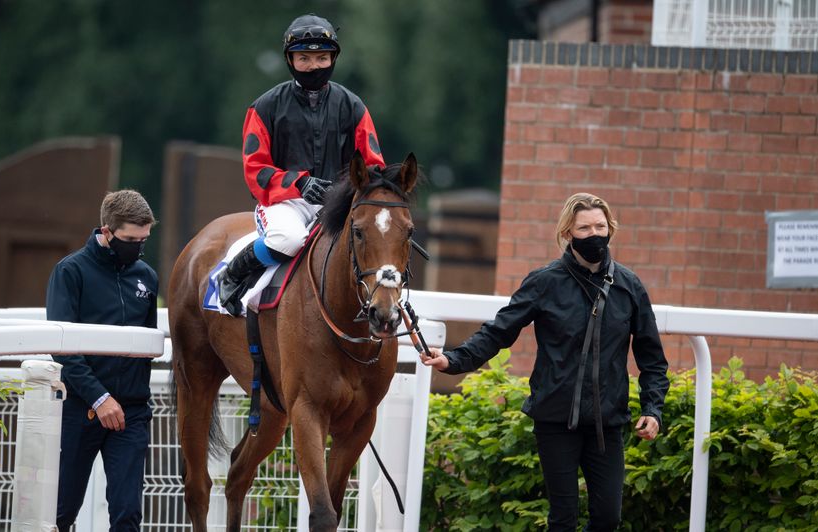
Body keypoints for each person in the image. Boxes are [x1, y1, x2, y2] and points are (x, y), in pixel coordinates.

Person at [422, 193, 670, 531]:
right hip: (555, 419)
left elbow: (652, 358)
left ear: (611, 228)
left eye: (600, 226)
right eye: (584, 227)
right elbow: (499, 331)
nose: (594, 233)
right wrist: (453, 360)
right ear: (568, 233)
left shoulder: (629, 287)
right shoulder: (544, 281)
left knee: (608, 518)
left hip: (607, 423)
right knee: (563, 519)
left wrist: (652, 409)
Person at [218, 12, 386, 316]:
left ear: (333, 59)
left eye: (322, 57)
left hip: (339, 203)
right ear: (290, 60)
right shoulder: (265, 106)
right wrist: (299, 183)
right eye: (304, 59)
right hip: (285, 203)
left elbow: (373, 166)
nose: (314, 66)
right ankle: (233, 273)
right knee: (290, 239)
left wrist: (345, 192)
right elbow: (255, 168)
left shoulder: (354, 106)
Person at [46, 189, 159, 531]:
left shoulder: (147, 277)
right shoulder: (70, 272)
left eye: (144, 239)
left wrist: (126, 401)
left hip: (131, 411)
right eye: (130, 239)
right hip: (81, 408)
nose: (138, 247)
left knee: (127, 515)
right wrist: (100, 397)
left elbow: (147, 344)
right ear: (106, 231)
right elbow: (62, 347)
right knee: (61, 511)